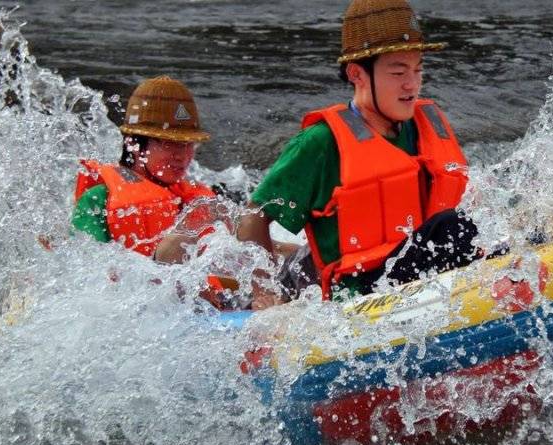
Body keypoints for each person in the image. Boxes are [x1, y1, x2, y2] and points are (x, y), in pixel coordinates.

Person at [237, 0, 480, 306]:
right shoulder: (319, 143)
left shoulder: (425, 125)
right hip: (360, 297)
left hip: (423, 277)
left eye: (418, 70)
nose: (412, 84)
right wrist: (265, 296)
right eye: (397, 71)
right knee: (450, 228)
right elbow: (253, 216)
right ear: (357, 74)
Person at [72, 75, 221, 262]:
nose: (182, 155)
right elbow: (83, 273)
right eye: (169, 143)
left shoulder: (196, 200)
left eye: (188, 144)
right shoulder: (98, 199)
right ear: (133, 144)